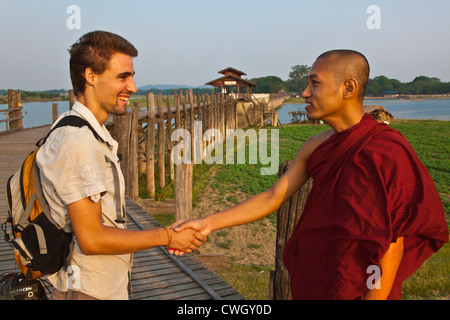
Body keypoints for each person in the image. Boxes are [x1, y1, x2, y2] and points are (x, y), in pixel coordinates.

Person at [174, 50, 449, 300]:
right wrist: (208, 223)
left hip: (361, 286)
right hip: (317, 278)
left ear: (348, 87)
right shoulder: (317, 144)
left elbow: (392, 242)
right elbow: (272, 197)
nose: (305, 93)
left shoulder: (385, 149)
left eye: (315, 83)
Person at [36, 31, 206, 300]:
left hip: (106, 283)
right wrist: (168, 237)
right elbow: (91, 239)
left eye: (132, 76)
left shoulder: (89, 132)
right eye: (123, 77)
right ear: (90, 76)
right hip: (88, 288)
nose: (134, 87)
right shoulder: (77, 141)